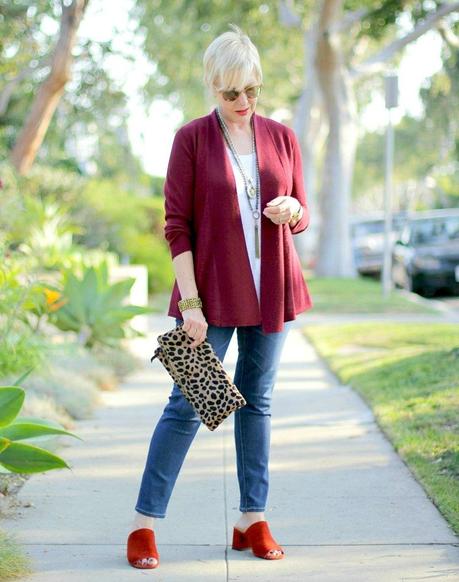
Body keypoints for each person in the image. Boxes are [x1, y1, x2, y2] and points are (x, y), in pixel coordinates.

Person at [126, 24, 313, 570]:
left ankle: (251, 517)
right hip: (209, 297)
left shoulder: (281, 136)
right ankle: (144, 524)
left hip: (272, 290)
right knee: (185, 407)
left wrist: (293, 212)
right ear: (212, 86)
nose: (243, 102)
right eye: (231, 92)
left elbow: (301, 209)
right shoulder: (191, 139)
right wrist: (190, 305)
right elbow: (177, 226)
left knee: (260, 404)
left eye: (252, 90)